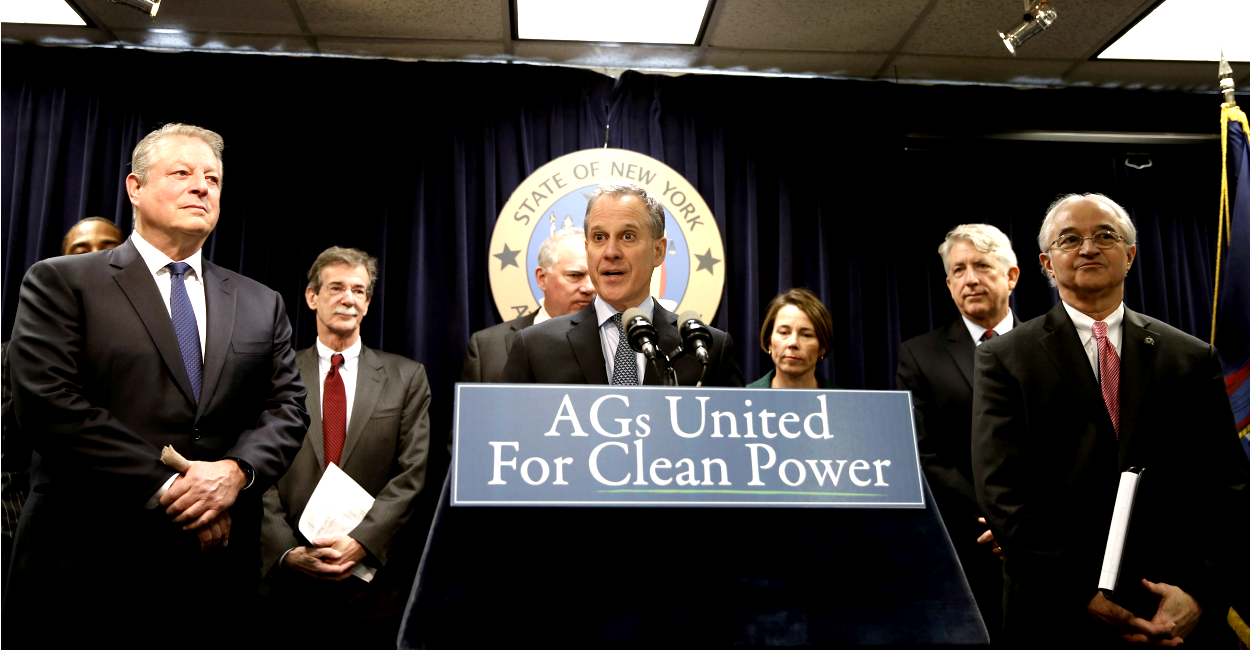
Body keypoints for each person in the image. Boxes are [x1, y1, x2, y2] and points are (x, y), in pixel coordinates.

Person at [2, 123, 309, 644]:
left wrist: (234, 473)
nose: (202, 187)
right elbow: (48, 404)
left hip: (214, 577)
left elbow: (288, 408)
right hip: (85, 567)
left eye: (213, 178)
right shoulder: (62, 281)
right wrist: (175, 489)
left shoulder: (262, 302)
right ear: (135, 187)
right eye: (183, 173)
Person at [971, 193, 1249, 647]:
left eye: (1105, 236)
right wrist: (1080, 593)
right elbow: (1002, 493)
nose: (1088, 248)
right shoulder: (1003, 359)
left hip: (1173, 610)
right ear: (1046, 262)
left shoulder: (1192, 357)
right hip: (1055, 613)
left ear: (1130, 255)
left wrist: (1199, 592)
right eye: (1069, 239)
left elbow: (1228, 487)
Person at [260, 246, 430, 646]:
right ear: (312, 297)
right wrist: (286, 551)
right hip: (287, 587)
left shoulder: (406, 377)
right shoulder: (275, 373)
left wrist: (361, 543)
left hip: (372, 590)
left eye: (359, 290)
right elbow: (258, 467)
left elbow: (412, 474)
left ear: (368, 303)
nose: (348, 298)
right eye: (336, 287)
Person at [896, 223, 1020, 642]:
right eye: (958, 270)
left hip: (1047, 544)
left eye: (982, 266)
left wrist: (1024, 522)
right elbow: (921, 452)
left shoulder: (1048, 346)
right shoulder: (919, 355)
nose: (970, 279)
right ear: (949, 285)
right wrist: (996, 519)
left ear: (1011, 276)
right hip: (969, 545)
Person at [502, 181, 742, 386]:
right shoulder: (534, 347)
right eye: (599, 237)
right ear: (588, 250)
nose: (611, 252)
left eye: (628, 236)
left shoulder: (707, 350)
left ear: (658, 251)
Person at [1, 217, 127, 586]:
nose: (93, 257)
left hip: (138, 545)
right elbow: (5, 459)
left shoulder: (168, 349)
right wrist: (18, 533)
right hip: (44, 546)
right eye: (80, 250)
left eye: (108, 248)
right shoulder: (14, 355)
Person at [461, 227, 595, 384]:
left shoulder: (615, 341)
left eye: (595, 277)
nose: (589, 288)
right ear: (542, 278)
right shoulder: (486, 347)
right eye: (574, 275)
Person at [748, 288, 838, 388]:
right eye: (784, 332)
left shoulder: (842, 398)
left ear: (822, 347)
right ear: (769, 343)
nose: (793, 343)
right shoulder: (743, 396)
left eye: (806, 335)